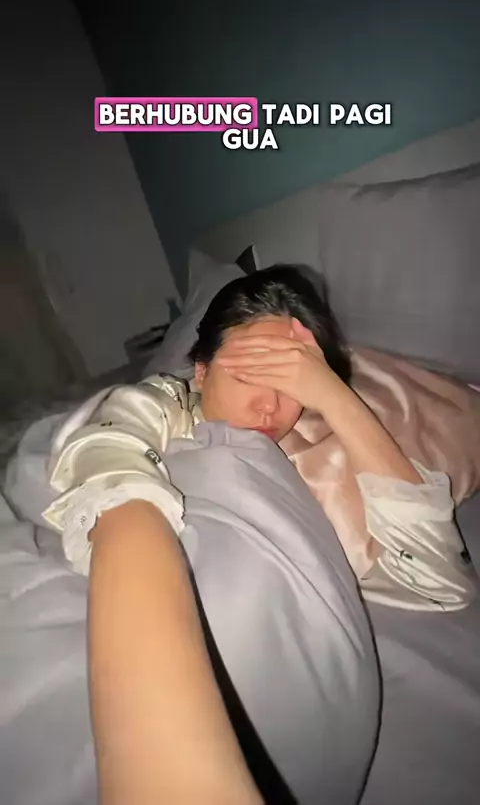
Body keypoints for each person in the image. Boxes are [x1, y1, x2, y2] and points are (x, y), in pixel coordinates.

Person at [41, 264, 473, 801]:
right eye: (247, 376)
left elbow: (440, 582)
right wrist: (129, 533)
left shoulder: (322, 445)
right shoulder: (164, 407)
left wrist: (337, 399)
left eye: (289, 384)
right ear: (201, 371)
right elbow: (109, 452)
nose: (269, 406)